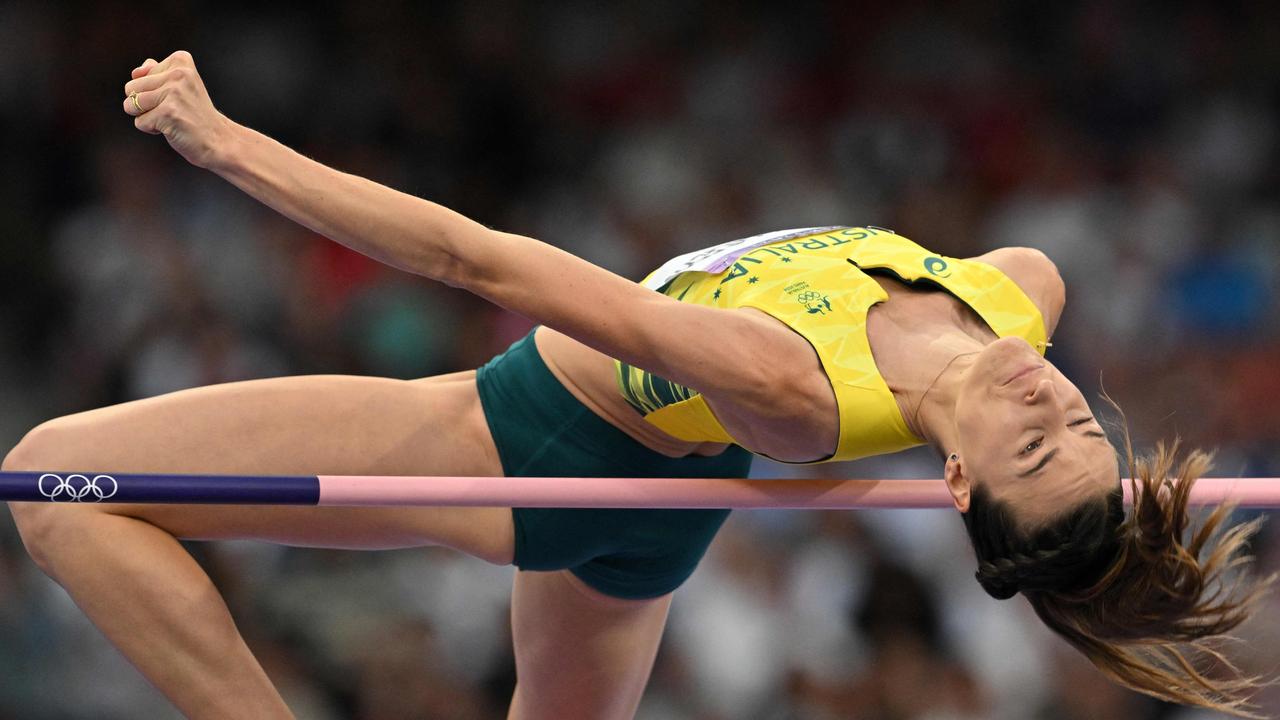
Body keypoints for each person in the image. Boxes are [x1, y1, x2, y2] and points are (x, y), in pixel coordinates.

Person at [3, 51, 1269, 720]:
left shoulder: (785, 385)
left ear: (951, 481)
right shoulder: (1023, 286)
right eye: (1079, 423)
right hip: (655, 511)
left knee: (51, 480)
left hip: (524, 445)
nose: (1052, 404)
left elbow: (472, 257)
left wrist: (225, 146)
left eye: (1034, 450)